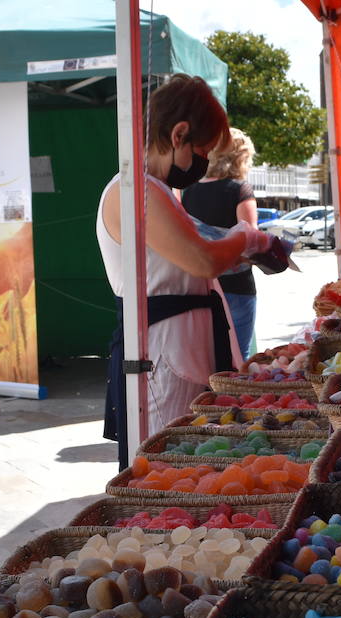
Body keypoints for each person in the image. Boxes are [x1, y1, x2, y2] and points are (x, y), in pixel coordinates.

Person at [96, 75, 272, 466]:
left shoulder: (158, 191)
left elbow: (196, 261)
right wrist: (245, 237)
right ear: (178, 135)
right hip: (160, 356)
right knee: (168, 467)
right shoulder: (135, 191)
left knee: (192, 461)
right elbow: (203, 260)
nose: (204, 162)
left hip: (181, 351)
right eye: (203, 150)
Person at [180, 127, 260, 359]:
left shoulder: (190, 191)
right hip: (237, 285)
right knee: (239, 356)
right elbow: (251, 241)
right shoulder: (240, 189)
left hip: (203, 286)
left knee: (209, 355)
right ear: (241, 157)